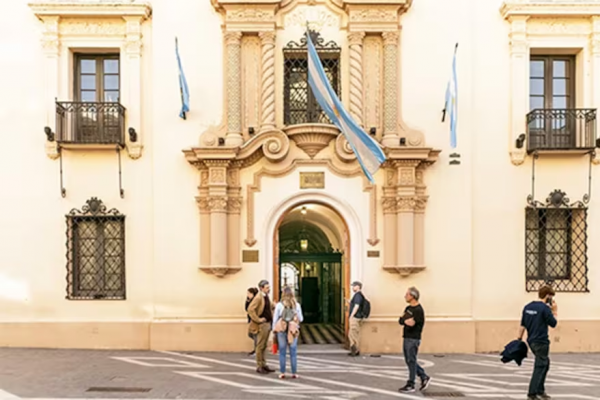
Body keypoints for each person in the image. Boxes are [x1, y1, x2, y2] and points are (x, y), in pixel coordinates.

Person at [518, 285, 558, 400]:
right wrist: (554, 311)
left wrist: (519, 339)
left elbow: (523, 325)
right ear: (548, 296)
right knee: (540, 365)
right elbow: (553, 323)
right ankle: (532, 393)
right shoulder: (545, 309)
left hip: (531, 340)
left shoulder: (528, 307)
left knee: (545, 363)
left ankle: (540, 390)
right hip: (541, 341)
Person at [398, 287, 431, 393]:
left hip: (413, 338)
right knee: (409, 360)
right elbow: (401, 320)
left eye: (407, 294)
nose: (405, 296)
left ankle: (411, 384)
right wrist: (405, 321)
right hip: (406, 337)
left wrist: (406, 321)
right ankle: (423, 376)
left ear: (413, 296)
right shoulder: (408, 308)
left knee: (411, 360)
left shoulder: (418, 310)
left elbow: (412, 324)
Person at [272, 286, 304, 379]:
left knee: (282, 351)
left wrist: (274, 329)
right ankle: (294, 373)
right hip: (292, 330)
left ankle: (282, 372)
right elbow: (301, 319)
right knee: (293, 351)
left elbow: (275, 319)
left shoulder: (279, 305)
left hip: (282, 329)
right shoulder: (296, 305)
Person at [247, 280, 275, 374]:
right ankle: (259, 365)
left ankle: (264, 364)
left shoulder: (265, 296)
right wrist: (258, 319)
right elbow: (250, 309)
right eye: (267, 287)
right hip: (262, 325)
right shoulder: (258, 297)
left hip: (267, 323)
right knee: (260, 345)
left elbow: (268, 306)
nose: (269, 289)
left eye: (269, 287)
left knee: (264, 345)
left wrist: (273, 306)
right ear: (261, 288)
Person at [347, 281, 365, 356]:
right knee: (354, 334)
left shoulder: (358, 295)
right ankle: (355, 350)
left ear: (358, 287)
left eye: (354, 286)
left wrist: (351, 315)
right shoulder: (359, 296)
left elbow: (356, 306)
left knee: (352, 334)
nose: (352, 287)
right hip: (357, 317)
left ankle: (355, 350)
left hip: (355, 317)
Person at [245, 287, 259, 356]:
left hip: (255, 320)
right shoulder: (249, 301)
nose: (247, 295)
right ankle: (257, 348)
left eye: (249, 293)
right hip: (251, 320)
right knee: (250, 334)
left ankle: (257, 350)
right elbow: (246, 309)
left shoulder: (255, 301)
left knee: (255, 335)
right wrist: (247, 301)